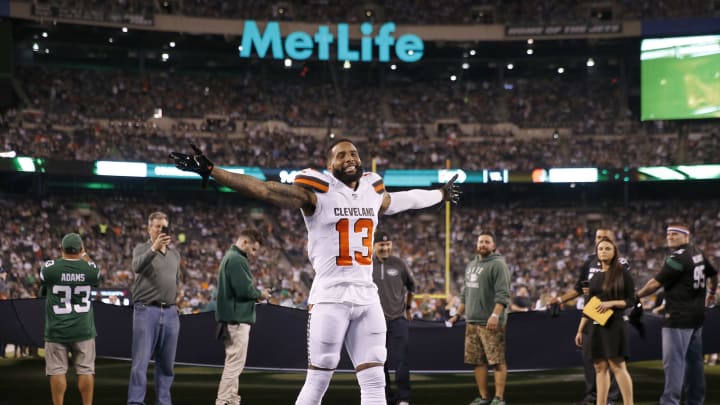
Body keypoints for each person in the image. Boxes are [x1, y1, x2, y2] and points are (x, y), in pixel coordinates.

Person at [170, 140, 459, 405]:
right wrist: (213, 170)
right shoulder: (316, 192)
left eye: (354, 153)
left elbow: (407, 199)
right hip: (330, 298)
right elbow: (264, 189)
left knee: (374, 379)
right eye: (341, 154)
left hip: (367, 298)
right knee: (319, 378)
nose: (350, 158)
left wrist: (441, 194)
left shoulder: (372, 191)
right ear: (329, 164)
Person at [635, 223, 718, 405]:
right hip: (696, 317)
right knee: (694, 363)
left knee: (674, 365)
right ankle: (695, 401)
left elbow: (654, 284)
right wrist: (711, 294)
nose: (670, 237)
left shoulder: (677, 258)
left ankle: (669, 402)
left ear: (686, 236)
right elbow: (713, 274)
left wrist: (635, 296)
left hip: (678, 318)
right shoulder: (697, 252)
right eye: (668, 234)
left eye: (675, 234)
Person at [550, 228, 623, 405]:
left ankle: (610, 399)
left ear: (613, 241)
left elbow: (622, 291)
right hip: (590, 315)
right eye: (598, 237)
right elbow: (579, 289)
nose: (601, 241)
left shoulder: (620, 263)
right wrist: (560, 299)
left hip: (610, 317)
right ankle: (592, 398)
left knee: (612, 362)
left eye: (605, 238)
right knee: (592, 360)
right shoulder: (589, 262)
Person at [448, 231, 510, 405]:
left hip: (489, 322)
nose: (483, 244)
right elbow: (465, 294)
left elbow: (503, 294)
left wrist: (495, 315)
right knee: (477, 362)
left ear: (493, 245)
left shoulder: (498, 264)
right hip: (472, 321)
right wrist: (457, 314)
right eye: (480, 242)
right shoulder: (471, 264)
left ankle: (499, 398)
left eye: (487, 242)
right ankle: (484, 397)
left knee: (497, 361)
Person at [40, 233, 101, 405]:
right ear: (81, 249)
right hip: (83, 328)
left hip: (56, 328)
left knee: (57, 370)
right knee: (86, 370)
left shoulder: (49, 268)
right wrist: (85, 256)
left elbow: (44, 286)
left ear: (61, 249)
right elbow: (95, 275)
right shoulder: (91, 269)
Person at [128, 211, 181, 405]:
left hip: (170, 313)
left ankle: (164, 402)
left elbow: (176, 281)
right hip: (146, 311)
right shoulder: (141, 248)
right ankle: (135, 402)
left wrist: (175, 303)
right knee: (140, 363)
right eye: (157, 226)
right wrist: (153, 248)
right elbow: (136, 267)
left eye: (164, 227)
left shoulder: (175, 255)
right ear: (149, 228)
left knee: (167, 365)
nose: (160, 230)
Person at [574, 237, 635, 405]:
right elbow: (589, 306)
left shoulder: (623, 273)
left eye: (608, 248)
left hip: (614, 324)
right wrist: (580, 330)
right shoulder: (595, 277)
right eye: (600, 249)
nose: (603, 251)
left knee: (617, 366)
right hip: (595, 327)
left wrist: (611, 303)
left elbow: (631, 300)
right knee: (599, 367)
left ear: (614, 252)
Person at [215, 229, 271, 405]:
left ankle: (231, 400)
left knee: (234, 364)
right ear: (245, 242)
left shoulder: (231, 256)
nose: (254, 254)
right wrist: (261, 294)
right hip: (237, 319)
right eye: (253, 249)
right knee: (234, 366)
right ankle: (223, 401)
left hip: (232, 319)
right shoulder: (237, 259)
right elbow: (244, 291)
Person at [371, 230, 416, 405]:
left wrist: (409, 308)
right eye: (381, 245)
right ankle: (385, 397)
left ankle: (403, 398)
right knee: (378, 362)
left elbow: (411, 287)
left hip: (398, 320)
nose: (385, 247)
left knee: (401, 361)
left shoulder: (399, 264)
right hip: (374, 321)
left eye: (388, 244)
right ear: (374, 246)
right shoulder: (366, 264)